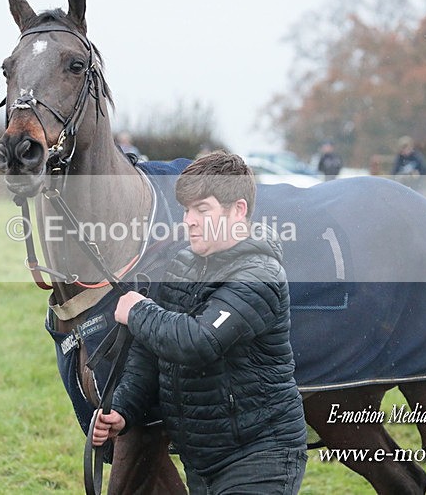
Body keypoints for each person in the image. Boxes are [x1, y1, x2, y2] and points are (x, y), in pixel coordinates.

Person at [92, 152, 307, 494]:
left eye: (202, 210)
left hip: (260, 457)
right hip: (202, 462)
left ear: (237, 210)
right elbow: (150, 351)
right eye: (187, 210)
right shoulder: (183, 264)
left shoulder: (259, 276)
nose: (189, 220)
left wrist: (138, 311)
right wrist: (124, 409)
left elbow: (198, 341)